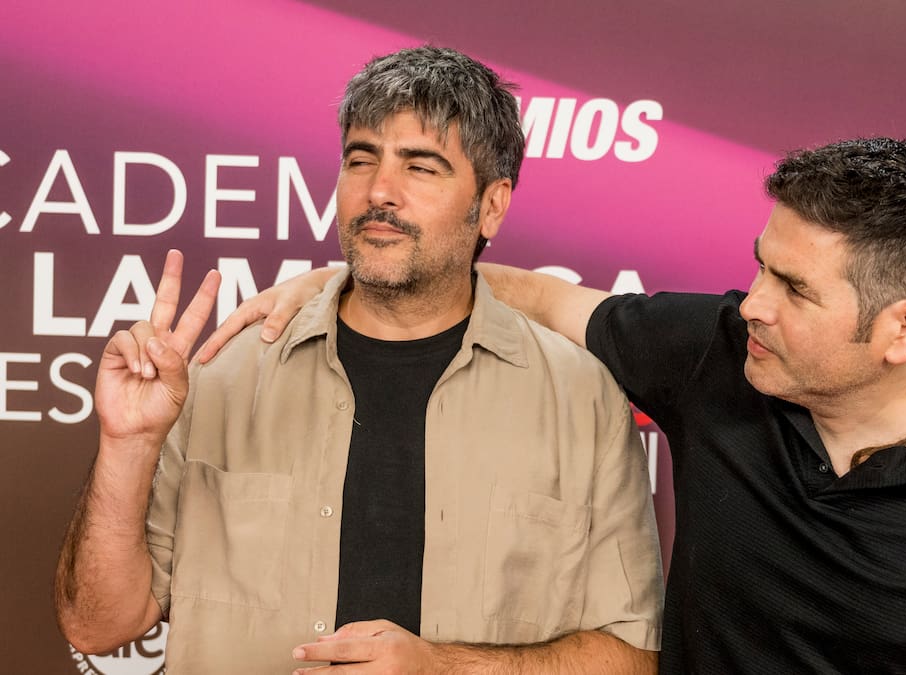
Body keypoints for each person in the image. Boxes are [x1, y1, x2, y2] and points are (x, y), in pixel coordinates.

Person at [210, 136, 906, 673]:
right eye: (761, 266)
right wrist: (352, 280)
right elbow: (547, 298)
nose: (753, 305)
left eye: (795, 289)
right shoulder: (719, 353)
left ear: (905, 328)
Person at [54, 47, 663, 674]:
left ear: (492, 205)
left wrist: (442, 668)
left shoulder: (580, 397)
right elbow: (98, 626)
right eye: (360, 159)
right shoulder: (222, 374)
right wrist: (127, 444)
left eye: (420, 167)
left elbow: (633, 656)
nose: (379, 191)